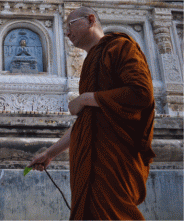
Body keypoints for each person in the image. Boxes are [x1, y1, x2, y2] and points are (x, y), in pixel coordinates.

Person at [28, 6, 156, 220]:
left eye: (70, 25)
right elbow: (88, 121)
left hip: (112, 158)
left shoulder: (121, 47)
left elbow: (141, 93)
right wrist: (49, 153)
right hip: (87, 163)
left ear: (90, 19)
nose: (67, 33)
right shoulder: (90, 63)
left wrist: (87, 98)